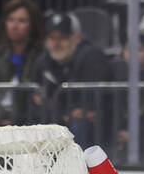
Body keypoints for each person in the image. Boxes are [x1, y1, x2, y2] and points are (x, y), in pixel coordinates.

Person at [30, 11, 113, 147]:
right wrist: (63, 113)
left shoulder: (92, 58)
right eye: (52, 38)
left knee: (78, 128)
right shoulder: (43, 61)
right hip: (57, 120)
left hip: (97, 126)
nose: (56, 44)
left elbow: (91, 105)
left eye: (63, 38)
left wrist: (60, 110)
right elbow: (36, 101)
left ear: (77, 38)